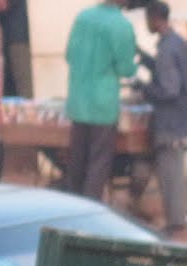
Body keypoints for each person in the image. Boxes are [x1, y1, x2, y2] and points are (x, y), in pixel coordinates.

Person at [131, 0, 187, 236]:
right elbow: (166, 71)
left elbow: (169, 89)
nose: (146, 23)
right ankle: (175, 219)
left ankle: (175, 223)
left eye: (147, 18)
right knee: (170, 170)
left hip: (169, 120)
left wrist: (143, 88)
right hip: (180, 118)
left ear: (155, 18)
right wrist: (144, 58)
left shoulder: (167, 49)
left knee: (170, 174)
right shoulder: (176, 42)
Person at [65, 0, 138, 202]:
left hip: (78, 101)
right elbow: (126, 69)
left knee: (76, 162)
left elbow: (69, 55)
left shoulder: (83, 17)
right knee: (98, 163)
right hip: (103, 105)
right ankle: (91, 208)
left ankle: (72, 207)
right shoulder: (121, 25)